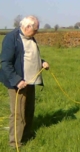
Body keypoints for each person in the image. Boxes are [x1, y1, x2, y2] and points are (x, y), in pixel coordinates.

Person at [0, 15, 49, 148]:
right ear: (27, 27)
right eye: (36, 30)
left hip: (31, 81)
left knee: (28, 110)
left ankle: (26, 135)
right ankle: (14, 143)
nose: (37, 32)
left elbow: (29, 55)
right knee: (18, 114)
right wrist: (17, 80)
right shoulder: (12, 38)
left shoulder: (30, 37)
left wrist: (42, 62)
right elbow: (5, 63)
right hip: (18, 83)